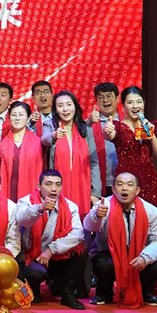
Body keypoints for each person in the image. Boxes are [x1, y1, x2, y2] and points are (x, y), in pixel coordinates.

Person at [84, 172, 157, 308]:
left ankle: (144, 293)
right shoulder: (103, 206)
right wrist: (97, 216)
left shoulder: (152, 211)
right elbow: (88, 227)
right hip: (109, 253)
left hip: (138, 255)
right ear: (113, 189)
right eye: (120, 184)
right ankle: (104, 293)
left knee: (155, 266)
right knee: (104, 264)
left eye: (129, 185)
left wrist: (145, 258)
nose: (124, 188)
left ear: (137, 190)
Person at [16, 170, 87, 309]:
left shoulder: (70, 206)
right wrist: (40, 208)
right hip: (30, 258)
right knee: (37, 273)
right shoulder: (26, 202)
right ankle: (32, 288)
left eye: (58, 185)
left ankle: (67, 294)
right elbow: (22, 219)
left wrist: (51, 250)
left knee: (81, 251)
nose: (54, 189)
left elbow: (78, 234)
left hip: (54, 256)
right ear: (39, 186)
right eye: (48, 184)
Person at [40, 90, 100, 218]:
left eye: (69, 104)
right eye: (60, 106)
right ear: (56, 110)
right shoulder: (50, 125)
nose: (65, 109)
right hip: (58, 186)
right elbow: (44, 139)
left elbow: (93, 162)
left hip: (82, 185)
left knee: (81, 221)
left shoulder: (85, 128)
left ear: (75, 106)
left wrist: (95, 192)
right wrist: (54, 135)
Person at [103, 86, 157, 205]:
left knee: (147, 213)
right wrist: (107, 131)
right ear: (124, 106)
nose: (135, 106)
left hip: (148, 179)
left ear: (144, 104)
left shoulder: (153, 126)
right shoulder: (119, 127)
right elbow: (109, 135)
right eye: (130, 102)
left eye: (139, 102)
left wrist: (151, 135)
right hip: (125, 181)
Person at [0, 101, 43, 202]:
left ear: (28, 119)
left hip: (30, 187)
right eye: (14, 115)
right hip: (9, 187)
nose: (17, 118)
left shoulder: (37, 141)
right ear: (9, 118)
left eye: (21, 115)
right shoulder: (4, 141)